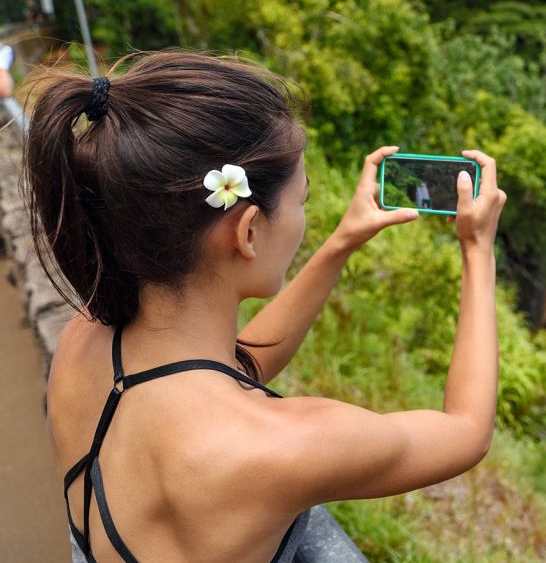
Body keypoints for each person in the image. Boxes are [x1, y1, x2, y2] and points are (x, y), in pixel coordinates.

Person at [25, 50, 507, 561]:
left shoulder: (81, 343)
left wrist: (341, 243)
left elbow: (217, 368)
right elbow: (465, 431)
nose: (303, 217)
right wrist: (478, 252)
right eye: (303, 200)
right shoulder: (283, 447)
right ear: (249, 231)